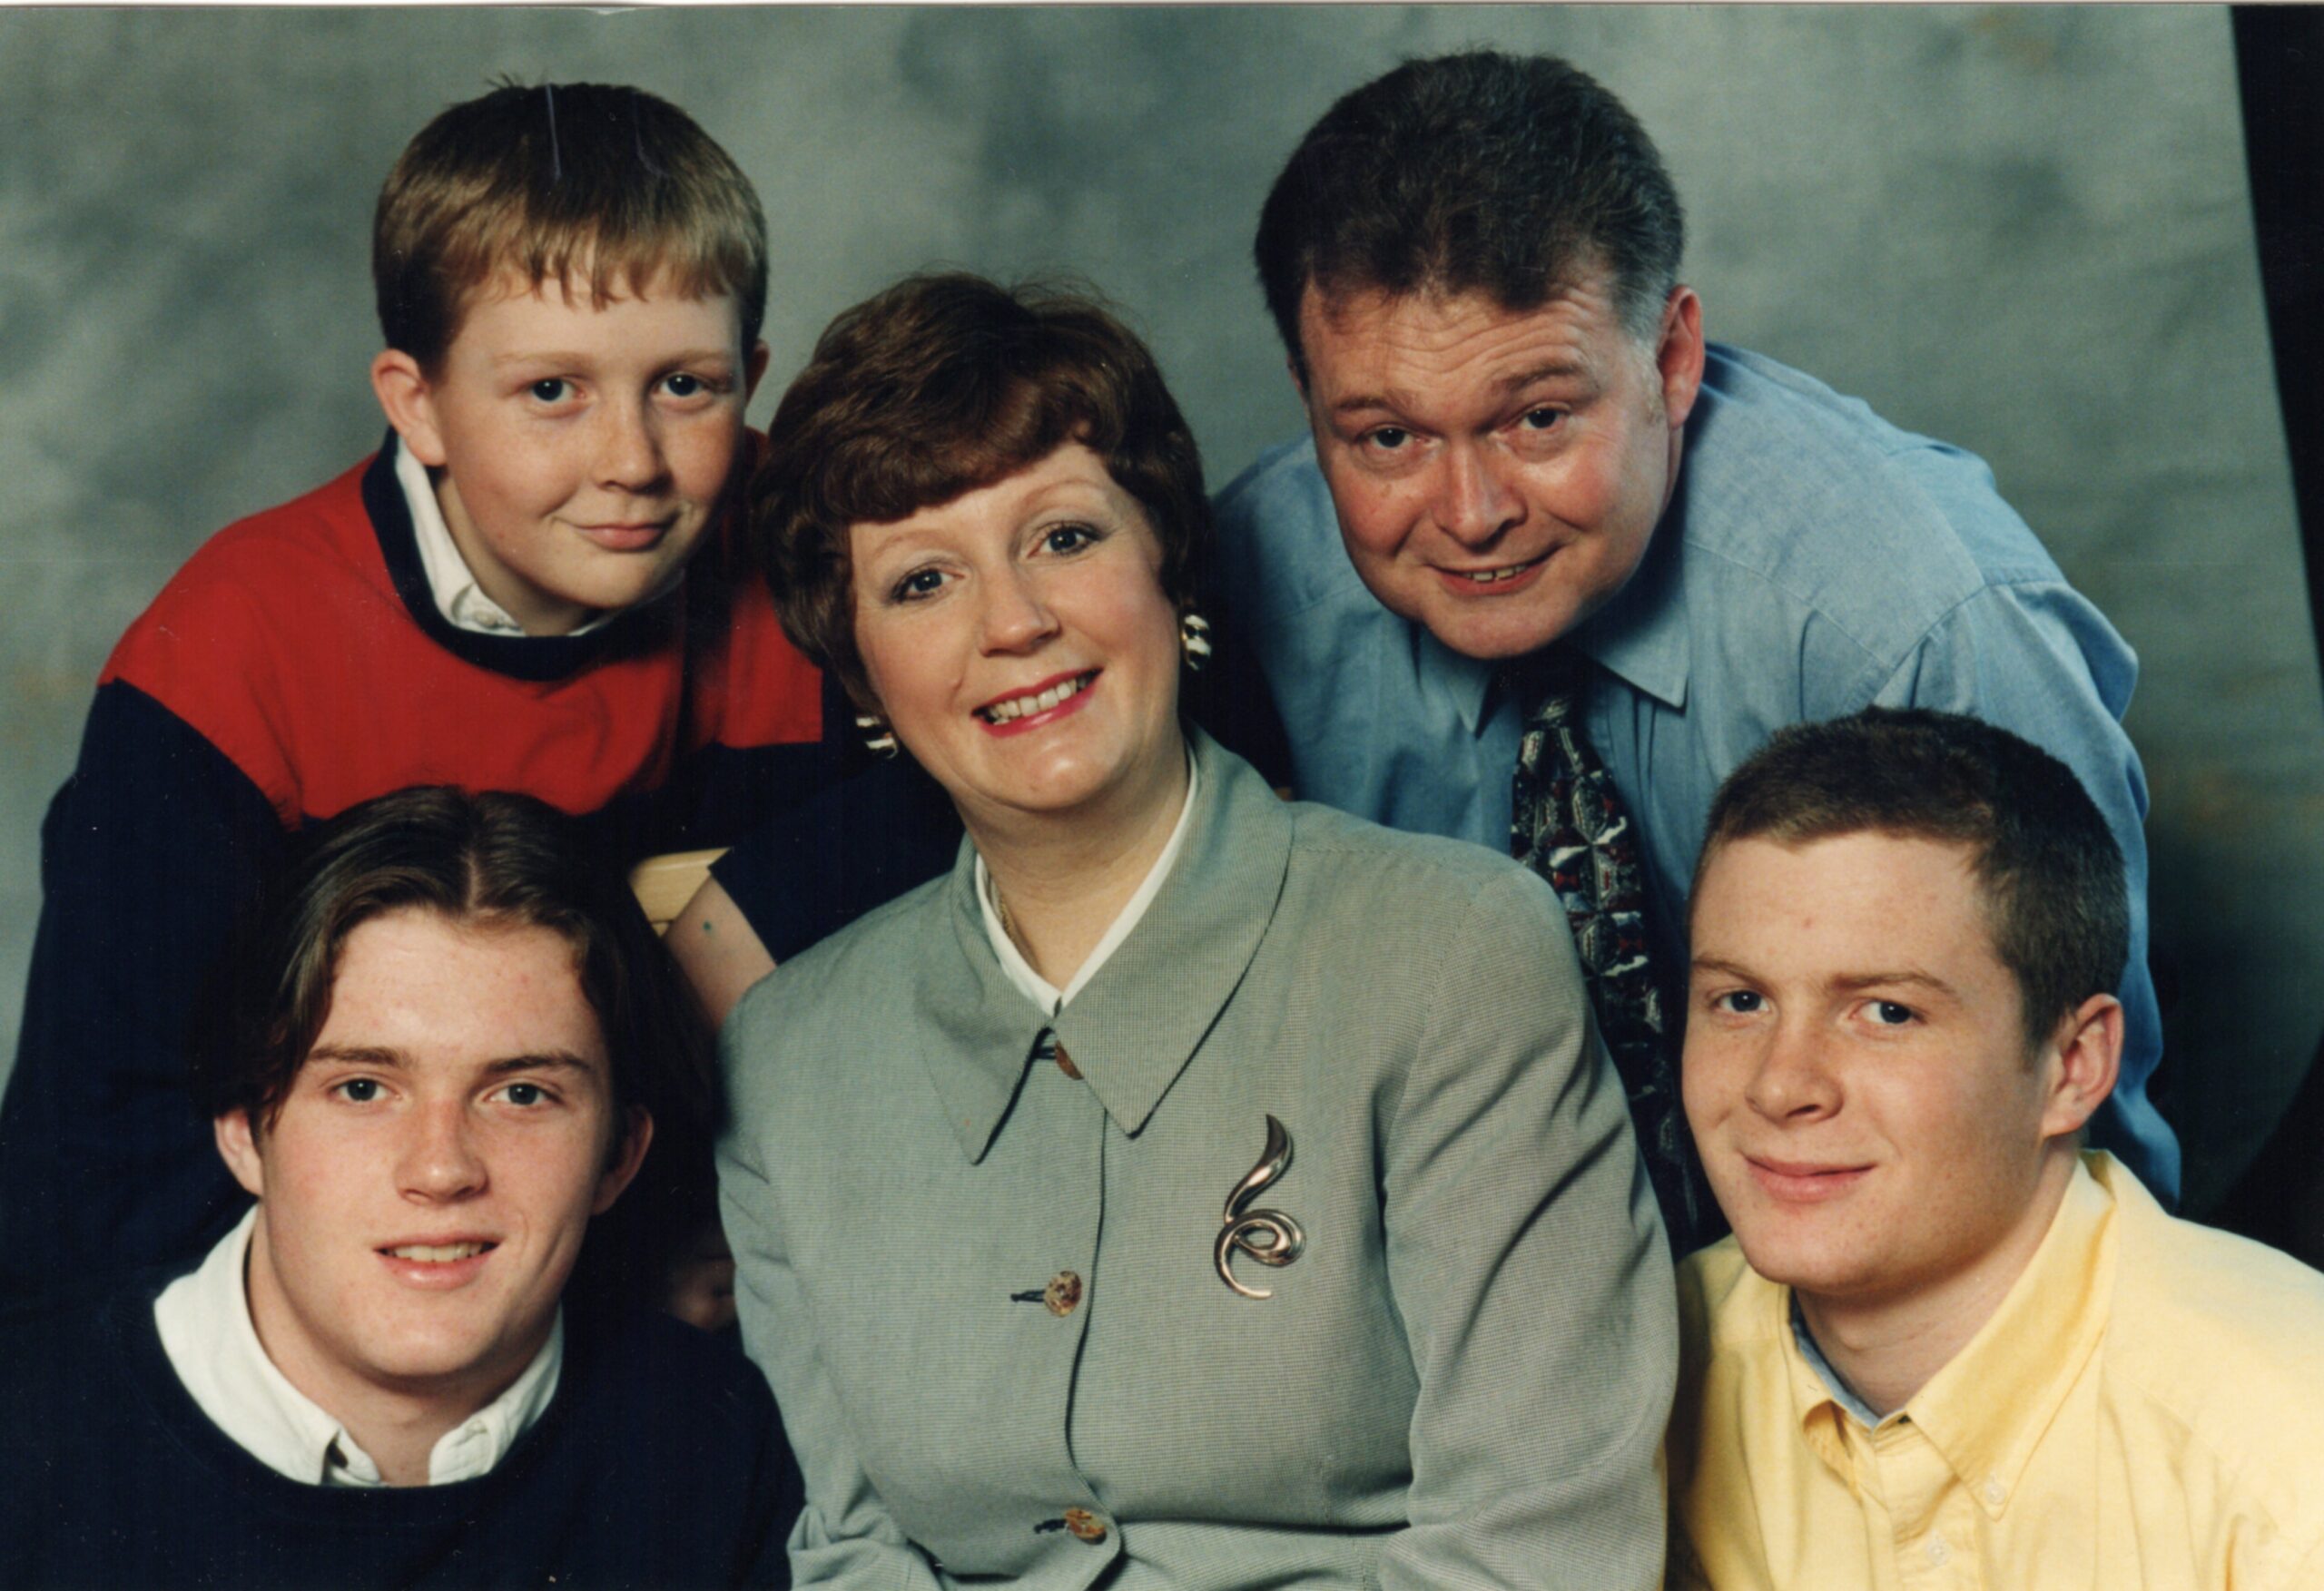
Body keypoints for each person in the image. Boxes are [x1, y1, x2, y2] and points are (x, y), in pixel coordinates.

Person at [718, 273, 1672, 1586]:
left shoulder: (1452, 953)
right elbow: (848, 1553)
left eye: (1062, 538)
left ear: (1165, 562)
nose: (1013, 623)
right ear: (859, 665)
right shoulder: (784, 1056)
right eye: (924, 580)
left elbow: (1539, 1547)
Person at [1212, 50, 2176, 1246]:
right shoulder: (1240, 583)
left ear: (1670, 361)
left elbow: (2072, 1150)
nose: (1467, 513)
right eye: (1386, 437)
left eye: (1539, 417)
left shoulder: (1920, 623)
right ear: (1309, 398)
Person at [0, 81, 842, 1301]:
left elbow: (1003, 826)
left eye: (686, 386)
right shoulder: (236, 656)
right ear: (418, 403)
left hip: (731, 1262)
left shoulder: (831, 546)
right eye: (551, 391)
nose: (632, 462)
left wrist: (731, 932)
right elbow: (99, 1165)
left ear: (752, 375)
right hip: (387, 1315)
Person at [0, 786, 798, 1588]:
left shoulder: (721, 1446)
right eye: (362, 1088)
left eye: (521, 1093)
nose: (441, 1169)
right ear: (242, 1128)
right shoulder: (25, 1439)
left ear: (620, 1155)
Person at [1666, 709, 2324, 1589]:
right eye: (1739, 1001)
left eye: (1886, 1012)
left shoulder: (2287, 1436)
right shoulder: (1637, 1369)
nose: (1780, 1086)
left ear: (2073, 1065)